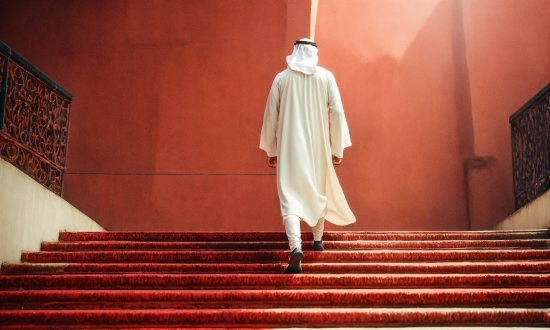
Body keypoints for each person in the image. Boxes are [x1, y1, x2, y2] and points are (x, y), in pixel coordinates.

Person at [260, 38, 355, 273]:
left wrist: (272, 149)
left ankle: (295, 248)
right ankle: (317, 240)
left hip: (289, 148)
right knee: (318, 189)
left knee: (290, 198)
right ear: (315, 53)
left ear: (294, 52)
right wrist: (337, 148)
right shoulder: (326, 77)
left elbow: (271, 114)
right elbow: (338, 112)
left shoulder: (281, 78)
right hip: (318, 146)